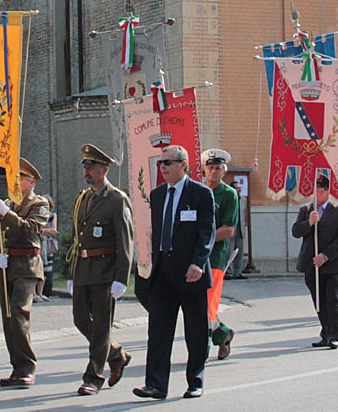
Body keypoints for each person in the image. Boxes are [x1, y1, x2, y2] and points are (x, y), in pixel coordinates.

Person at [134, 145, 215, 401]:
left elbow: (207, 233)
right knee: (158, 330)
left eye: (168, 162)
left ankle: (195, 381)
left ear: (184, 165)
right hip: (163, 272)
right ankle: (156, 385)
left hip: (191, 272)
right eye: (161, 163)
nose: (163, 167)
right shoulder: (157, 195)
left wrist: (198, 263)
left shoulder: (200, 193)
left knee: (196, 330)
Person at [69, 144, 135, 396]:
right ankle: (116, 354)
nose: (87, 171)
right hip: (83, 269)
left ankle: (93, 377)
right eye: (85, 167)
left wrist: (121, 278)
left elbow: (125, 241)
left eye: (92, 167)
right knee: (80, 320)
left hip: (105, 272)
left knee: (101, 327)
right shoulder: (82, 199)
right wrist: (72, 273)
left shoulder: (117, 199)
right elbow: (77, 239)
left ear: (104, 170)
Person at [0, 157, 49, 388]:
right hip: (8, 266)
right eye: (14, 177)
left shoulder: (39, 204)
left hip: (27, 265)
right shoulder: (8, 204)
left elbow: (30, 230)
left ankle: (27, 367)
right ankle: (17, 367)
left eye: (20, 178)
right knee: (8, 319)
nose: (16, 181)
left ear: (32, 182)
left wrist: (6, 213)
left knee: (19, 314)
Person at [291, 174, 338, 348]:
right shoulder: (306, 210)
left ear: (327, 191)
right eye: (314, 189)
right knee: (320, 302)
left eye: (320, 189)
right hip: (312, 265)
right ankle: (326, 332)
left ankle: (335, 335)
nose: (316, 193)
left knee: (334, 301)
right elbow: (296, 231)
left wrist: (325, 255)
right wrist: (309, 223)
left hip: (332, 264)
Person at [200, 148, 239, 360]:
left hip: (215, 258)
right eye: (211, 168)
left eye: (218, 168)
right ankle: (223, 334)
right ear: (204, 170)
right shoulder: (197, 191)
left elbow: (229, 229)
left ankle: (201, 350)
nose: (214, 171)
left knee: (208, 304)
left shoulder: (228, 194)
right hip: (194, 257)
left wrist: (204, 240)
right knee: (197, 304)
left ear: (225, 171)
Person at [37, 194, 58, 301]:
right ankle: (38, 294)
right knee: (38, 270)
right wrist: (45, 231)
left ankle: (45, 293)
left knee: (47, 271)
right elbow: (36, 229)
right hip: (38, 245)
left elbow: (53, 230)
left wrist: (43, 231)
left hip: (48, 246)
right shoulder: (38, 214)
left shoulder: (53, 215)